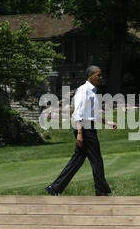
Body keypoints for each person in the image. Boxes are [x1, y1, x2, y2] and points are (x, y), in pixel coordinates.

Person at [45, 65, 117, 196]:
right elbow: (78, 113)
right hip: (84, 129)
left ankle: (54, 188)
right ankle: (101, 191)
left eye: (101, 75)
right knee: (96, 160)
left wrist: (107, 122)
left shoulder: (92, 91)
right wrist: (79, 133)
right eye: (98, 75)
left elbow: (92, 113)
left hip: (87, 128)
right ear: (91, 76)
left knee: (77, 160)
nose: (101, 78)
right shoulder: (84, 91)